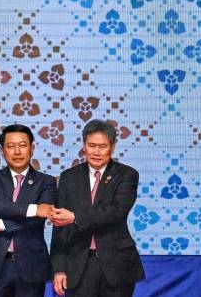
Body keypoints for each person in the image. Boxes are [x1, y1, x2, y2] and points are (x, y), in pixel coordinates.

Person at [49, 119, 145, 297]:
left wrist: (76, 217)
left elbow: (117, 211)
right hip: (78, 264)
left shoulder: (127, 175)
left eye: (102, 146)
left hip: (117, 265)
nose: (96, 152)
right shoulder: (68, 177)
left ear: (113, 147)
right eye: (91, 145)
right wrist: (59, 269)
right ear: (83, 146)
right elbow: (59, 228)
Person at [0, 124, 57, 297]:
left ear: (32, 149)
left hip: (32, 265)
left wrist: (0, 224)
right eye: (11, 146)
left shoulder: (47, 181)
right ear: (2, 150)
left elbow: (38, 220)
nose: (17, 151)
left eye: (23, 145)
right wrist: (34, 209)